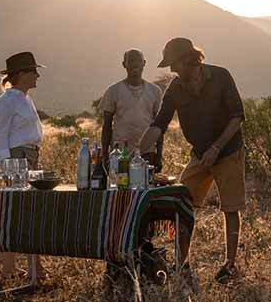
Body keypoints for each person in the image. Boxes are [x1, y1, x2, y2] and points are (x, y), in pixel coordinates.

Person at [139, 37, 246, 284]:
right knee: (181, 204)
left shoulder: (220, 76)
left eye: (174, 63)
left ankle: (230, 265)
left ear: (189, 59)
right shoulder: (175, 88)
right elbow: (159, 125)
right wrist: (136, 150)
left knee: (230, 208)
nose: (172, 70)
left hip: (228, 150)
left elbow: (237, 116)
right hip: (200, 153)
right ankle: (181, 264)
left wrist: (217, 147)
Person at [0, 51, 46, 281]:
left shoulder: (25, 99)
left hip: (29, 155)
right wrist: (8, 168)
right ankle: (14, 269)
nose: (37, 76)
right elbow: (0, 137)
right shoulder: (5, 102)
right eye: (34, 71)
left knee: (27, 211)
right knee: (19, 211)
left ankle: (27, 268)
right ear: (22, 74)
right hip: (17, 158)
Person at [99, 49, 164, 167]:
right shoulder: (113, 91)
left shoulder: (155, 91)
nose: (135, 64)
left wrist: (159, 155)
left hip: (147, 153)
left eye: (138, 61)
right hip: (120, 152)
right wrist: (104, 155)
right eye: (131, 61)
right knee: (121, 184)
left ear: (144, 63)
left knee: (147, 184)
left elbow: (159, 126)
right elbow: (107, 125)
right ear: (124, 64)